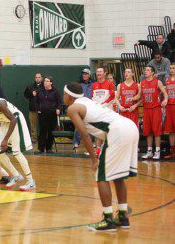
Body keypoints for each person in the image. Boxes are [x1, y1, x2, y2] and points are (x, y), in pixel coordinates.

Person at [65, 82, 138, 232]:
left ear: (68, 95)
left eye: (64, 93)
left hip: (117, 130)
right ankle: (123, 217)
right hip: (130, 126)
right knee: (118, 176)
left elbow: (84, 134)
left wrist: (94, 159)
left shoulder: (72, 108)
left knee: (101, 175)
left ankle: (108, 220)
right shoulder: (89, 101)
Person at [0, 83, 35, 191]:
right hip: (5, 122)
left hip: (15, 120)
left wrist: (6, 139)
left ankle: (30, 181)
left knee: (16, 152)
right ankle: (16, 175)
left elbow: (13, 120)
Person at [135, 65, 168, 160]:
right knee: (147, 131)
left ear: (152, 73)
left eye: (148, 70)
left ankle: (157, 151)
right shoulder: (142, 82)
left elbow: (165, 93)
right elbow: (139, 96)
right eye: (145, 70)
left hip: (156, 109)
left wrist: (165, 99)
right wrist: (132, 98)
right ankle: (149, 152)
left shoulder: (158, 82)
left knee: (157, 132)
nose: (146, 71)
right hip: (146, 109)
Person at [35, 76, 61, 153]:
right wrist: (38, 110)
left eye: (47, 81)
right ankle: (41, 148)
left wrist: (58, 109)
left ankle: (49, 148)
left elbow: (59, 102)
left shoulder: (55, 91)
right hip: (42, 113)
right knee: (42, 131)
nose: (45, 82)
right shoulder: (40, 90)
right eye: (45, 81)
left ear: (51, 83)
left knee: (50, 131)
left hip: (52, 114)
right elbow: (36, 101)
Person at [23, 72, 43, 145]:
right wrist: (31, 94)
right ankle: (34, 139)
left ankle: (42, 138)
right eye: (36, 77)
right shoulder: (30, 86)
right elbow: (26, 95)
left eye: (39, 77)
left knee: (43, 124)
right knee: (33, 125)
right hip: (33, 109)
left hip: (42, 109)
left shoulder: (44, 86)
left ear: (41, 78)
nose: (37, 78)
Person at [164, 63, 175, 159]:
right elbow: (166, 94)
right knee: (171, 131)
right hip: (169, 107)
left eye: (174, 68)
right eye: (170, 68)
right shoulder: (167, 81)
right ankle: (172, 152)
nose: (172, 70)